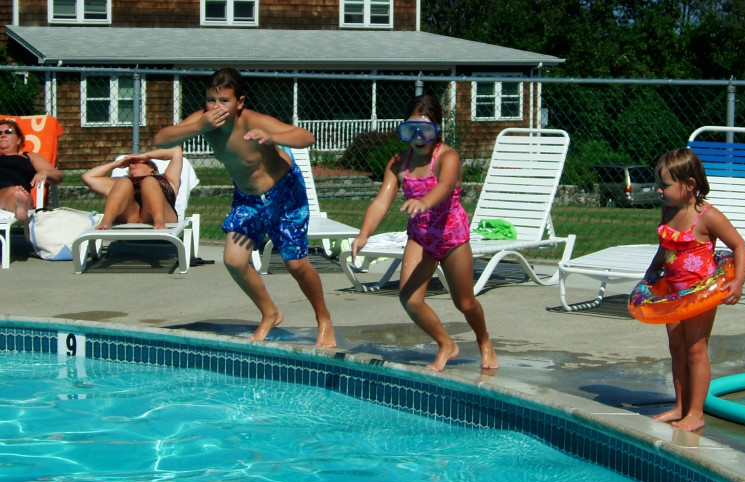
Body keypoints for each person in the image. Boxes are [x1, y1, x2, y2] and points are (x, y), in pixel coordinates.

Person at [154, 67, 335, 347]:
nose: (217, 108)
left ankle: (323, 318)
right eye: (211, 101)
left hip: (284, 194)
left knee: (296, 264)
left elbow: (306, 137)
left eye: (224, 101)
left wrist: (274, 138)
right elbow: (161, 139)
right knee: (234, 260)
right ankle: (270, 313)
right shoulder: (204, 122)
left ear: (240, 103)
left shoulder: (252, 121)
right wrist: (199, 126)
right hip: (248, 199)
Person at [350, 95, 498, 372]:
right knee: (410, 299)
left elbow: (443, 187)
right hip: (421, 237)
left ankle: (484, 340)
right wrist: (364, 234)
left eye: (426, 129)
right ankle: (446, 344)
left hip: (451, 237)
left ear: (438, 130)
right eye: (411, 129)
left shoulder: (448, 157)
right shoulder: (398, 163)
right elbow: (382, 200)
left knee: (465, 302)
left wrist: (424, 202)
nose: (419, 136)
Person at [646, 148, 745, 432]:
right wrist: (651, 274)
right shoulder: (668, 211)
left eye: (665, 185)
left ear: (689, 185)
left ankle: (696, 412)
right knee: (676, 348)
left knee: (695, 350)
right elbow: (665, 248)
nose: (659, 190)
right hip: (673, 293)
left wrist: (737, 281)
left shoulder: (708, 216)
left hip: (700, 294)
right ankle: (680, 406)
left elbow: (740, 246)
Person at [81, 146, 184, 230]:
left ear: (151, 167)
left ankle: (158, 220)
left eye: (136, 162)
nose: (131, 165)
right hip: (131, 216)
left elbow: (176, 151)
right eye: (130, 164)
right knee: (124, 182)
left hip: (162, 215)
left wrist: (145, 156)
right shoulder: (121, 183)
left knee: (149, 181)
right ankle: (106, 221)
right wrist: (116, 164)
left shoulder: (167, 180)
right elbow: (87, 177)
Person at [0, 119, 64, 220]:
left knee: (16, 193)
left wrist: (45, 172)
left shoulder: (29, 157)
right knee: (13, 193)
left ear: (18, 140)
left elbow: (58, 176)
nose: (2, 135)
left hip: (17, 192)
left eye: (8, 132)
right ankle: (18, 207)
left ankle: (19, 206)